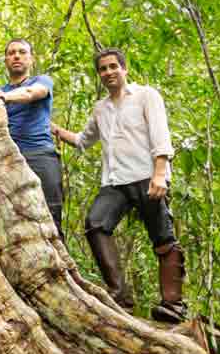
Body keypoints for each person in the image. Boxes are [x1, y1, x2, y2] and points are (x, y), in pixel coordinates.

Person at [51, 47, 187, 323]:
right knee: (96, 223)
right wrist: (52, 128)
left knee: (162, 239)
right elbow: (82, 140)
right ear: (99, 75)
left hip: (147, 177)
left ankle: (173, 305)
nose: (108, 72)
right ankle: (120, 296)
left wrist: (160, 174)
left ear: (124, 69)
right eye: (103, 69)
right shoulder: (101, 108)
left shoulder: (146, 96)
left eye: (113, 66)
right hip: (115, 181)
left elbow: (161, 135)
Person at [0, 38, 63, 239]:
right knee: (13, 219)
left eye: (22, 52)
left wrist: (3, 96)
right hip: (7, 160)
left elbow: (31, 93)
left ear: (31, 59)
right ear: (6, 60)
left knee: (51, 216)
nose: (16, 56)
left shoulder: (41, 81)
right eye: (11, 53)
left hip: (40, 156)